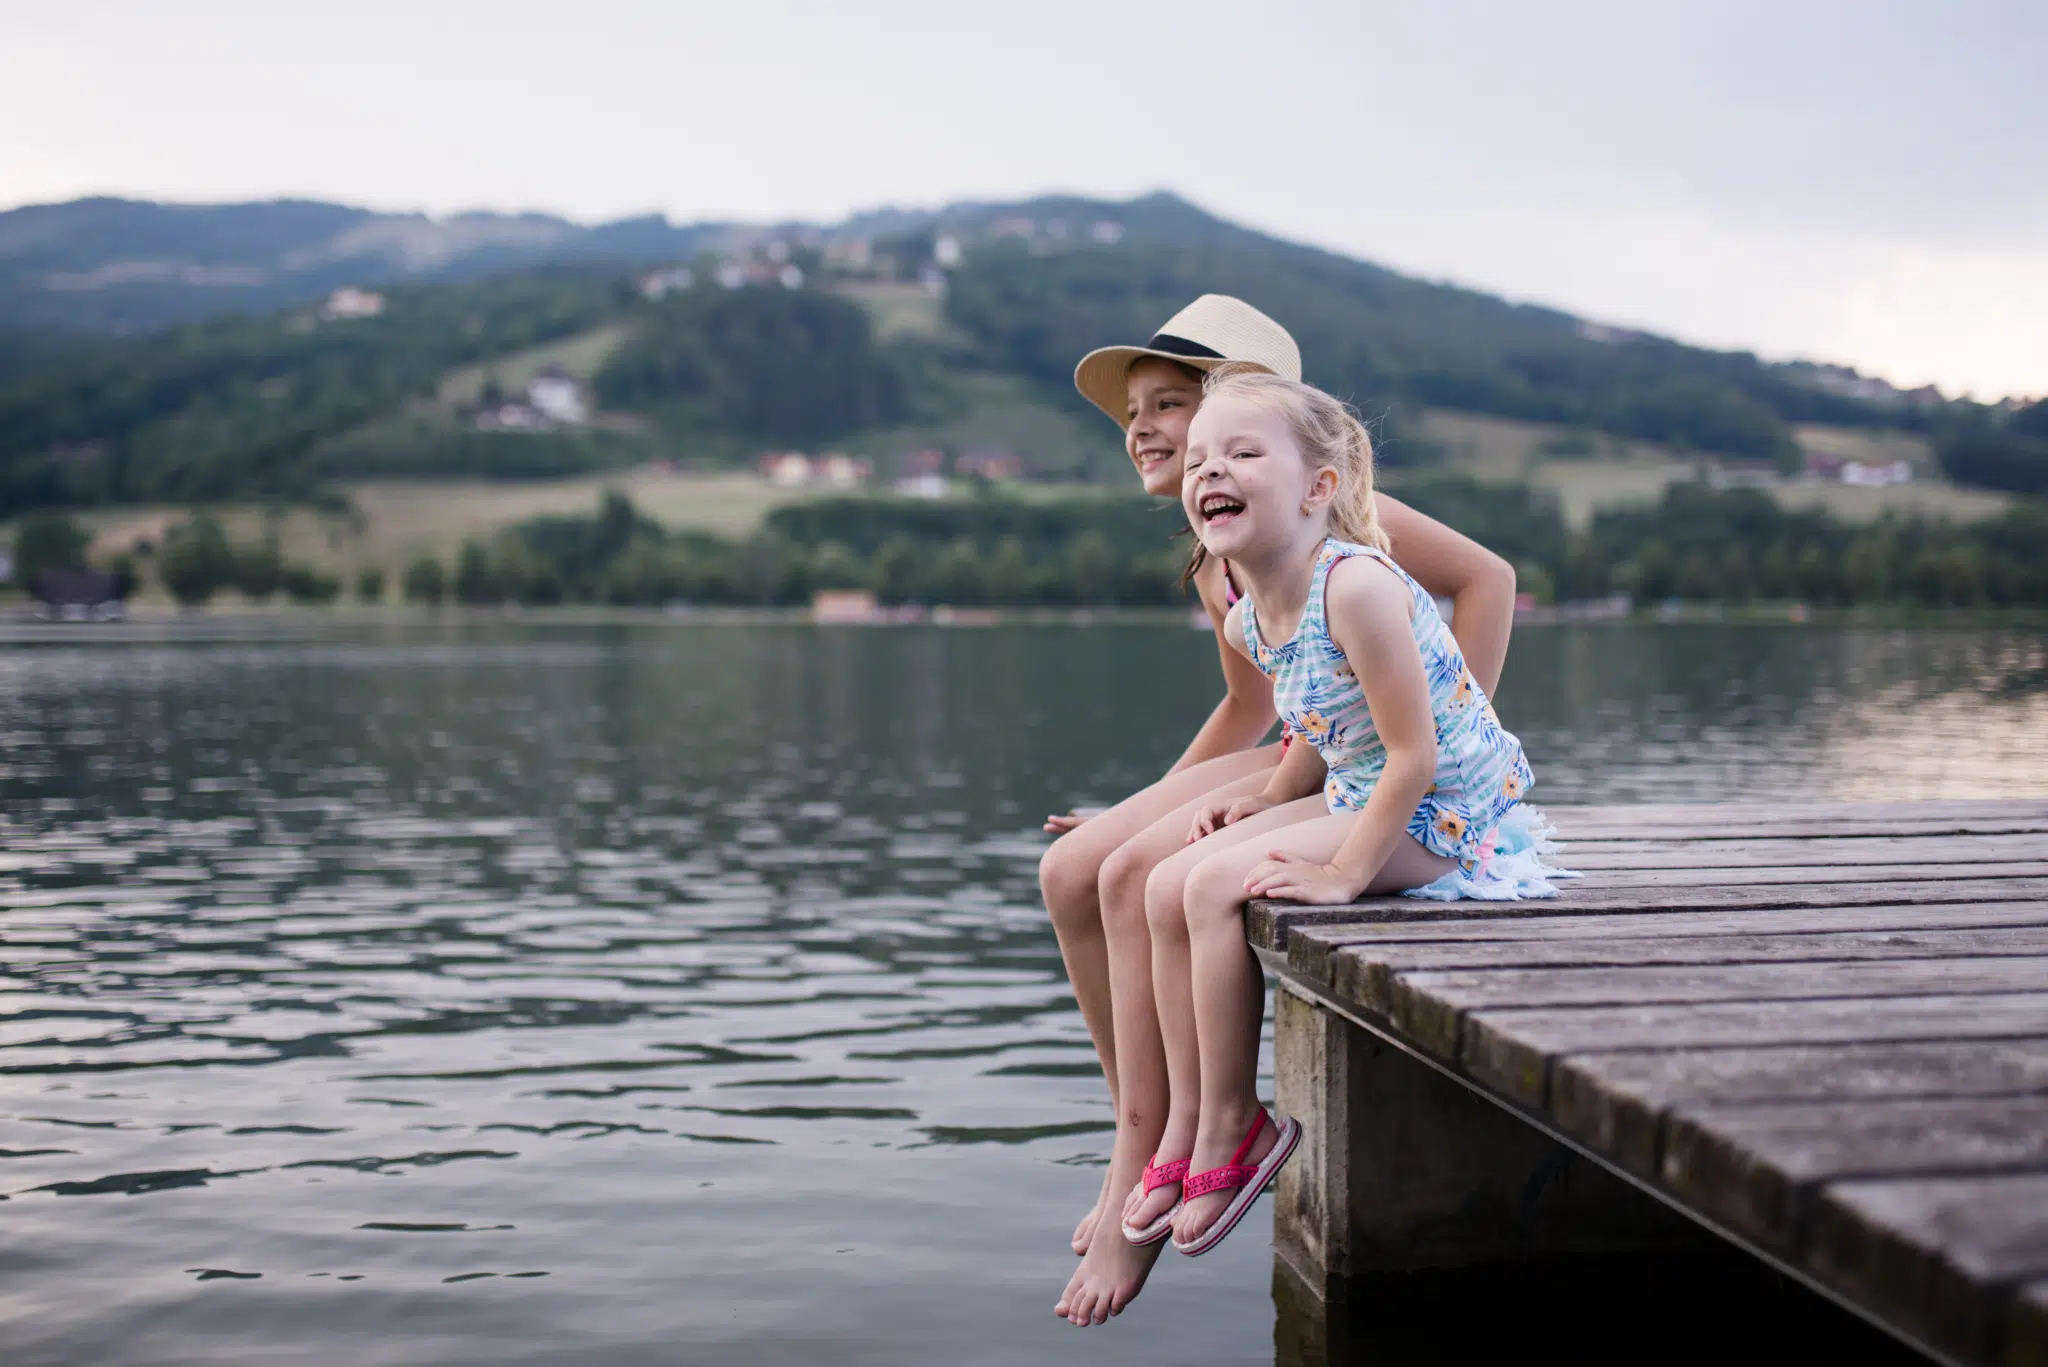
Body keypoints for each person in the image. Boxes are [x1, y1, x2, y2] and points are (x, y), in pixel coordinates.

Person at [1048, 297, 1520, 1326]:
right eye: (1141, 412)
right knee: (1077, 864)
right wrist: (1132, 808)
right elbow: (1254, 703)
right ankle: (1143, 1123)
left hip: (1384, 766)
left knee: (1135, 874)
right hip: (1312, 745)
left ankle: (1184, 1128)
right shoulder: (1224, 560)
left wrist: (1453, 725)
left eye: (1174, 402)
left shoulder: (1332, 524)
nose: (1145, 429)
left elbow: (1484, 580)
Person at [1136, 366, 1565, 1268]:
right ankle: (1186, 1119)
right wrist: (1263, 795)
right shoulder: (1252, 611)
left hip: (1446, 809)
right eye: (1202, 457)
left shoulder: (1356, 586)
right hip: (1361, 785)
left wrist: (1341, 875)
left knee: (1217, 885)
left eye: (1244, 453)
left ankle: (1233, 1124)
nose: (1210, 469)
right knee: (1167, 880)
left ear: (1318, 489)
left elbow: (1413, 756)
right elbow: (1316, 721)